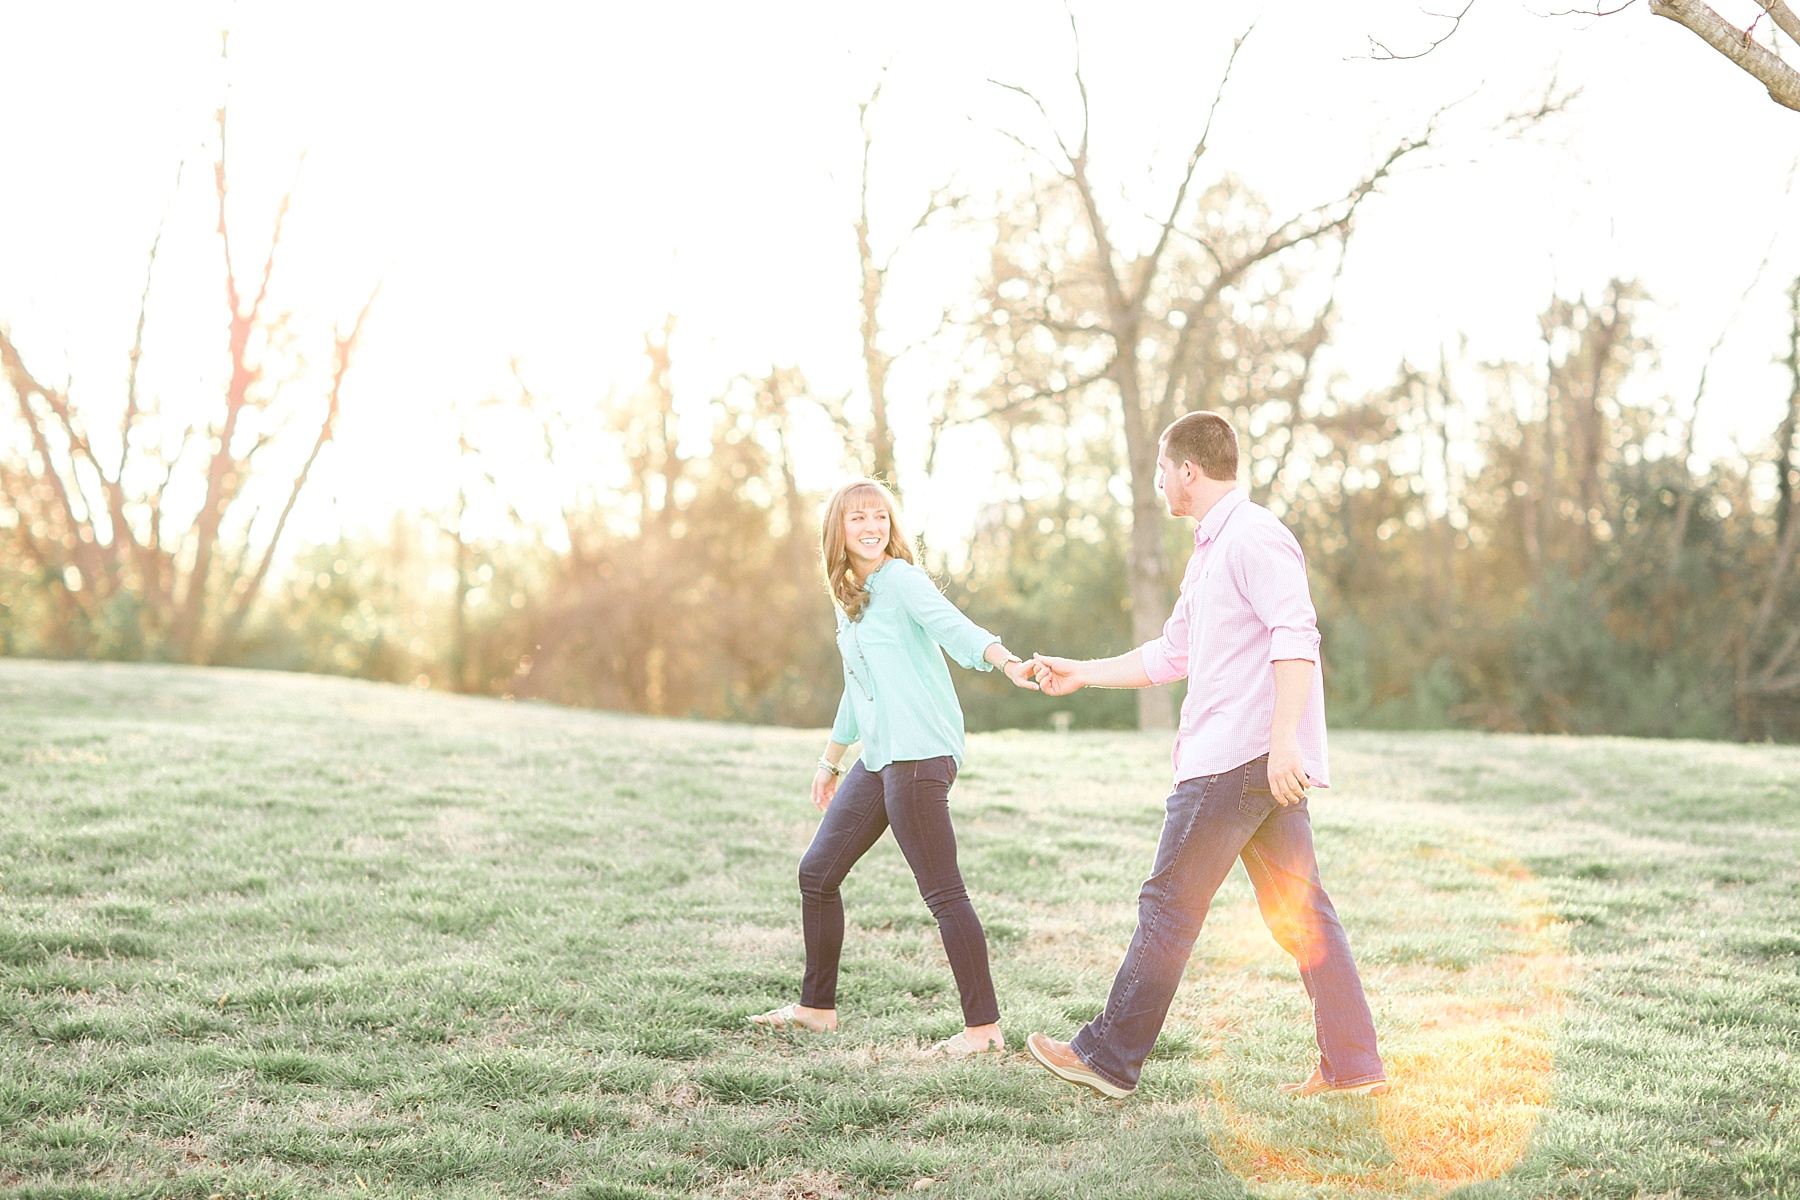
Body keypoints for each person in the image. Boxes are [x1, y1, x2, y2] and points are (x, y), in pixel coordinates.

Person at [1024, 411, 1387, 1100]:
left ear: (1188, 470)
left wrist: (1286, 743)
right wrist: (1082, 671)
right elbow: (1172, 655)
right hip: (1249, 761)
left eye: (1162, 470)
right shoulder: (1210, 551)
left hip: (1239, 761)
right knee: (1304, 915)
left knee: (1168, 904)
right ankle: (1354, 1065)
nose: (1159, 482)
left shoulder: (1254, 537)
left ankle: (1107, 1059)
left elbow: (1297, 634)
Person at [749, 478, 1041, 1057]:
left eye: (879, 517)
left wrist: (1006, 662)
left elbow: (955, 628)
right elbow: (859, 687)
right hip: (881, 758)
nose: (871, 527)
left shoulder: (902, 580)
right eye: (857, 519)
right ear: (838, 531)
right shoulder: (852, 596)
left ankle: (983, 1031)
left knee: (943, 893)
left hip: (918, 755)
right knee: (817, 873)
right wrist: (831, 759)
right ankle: (816, 1008)